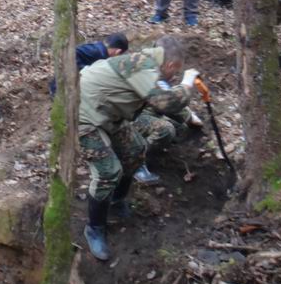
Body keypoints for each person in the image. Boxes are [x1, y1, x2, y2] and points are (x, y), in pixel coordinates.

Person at [77, 36, 197, 260]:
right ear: (170, 65)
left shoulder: (147, 66)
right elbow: (165, 102)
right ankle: (94, 228)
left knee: (135, 150)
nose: (175, 76)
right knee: (107, 171)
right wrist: (187, 83)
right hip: (84, 115)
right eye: (176, 71)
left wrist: (187, 116)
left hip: (109, 114)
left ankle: (116, 201)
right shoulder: (142, 66)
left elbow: (163, 100)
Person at [50, 33, 128, 97]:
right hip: (61, 88)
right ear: (117, 51)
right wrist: (86, 69)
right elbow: (70, 54)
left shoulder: (100, 50)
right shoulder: (96, 52)